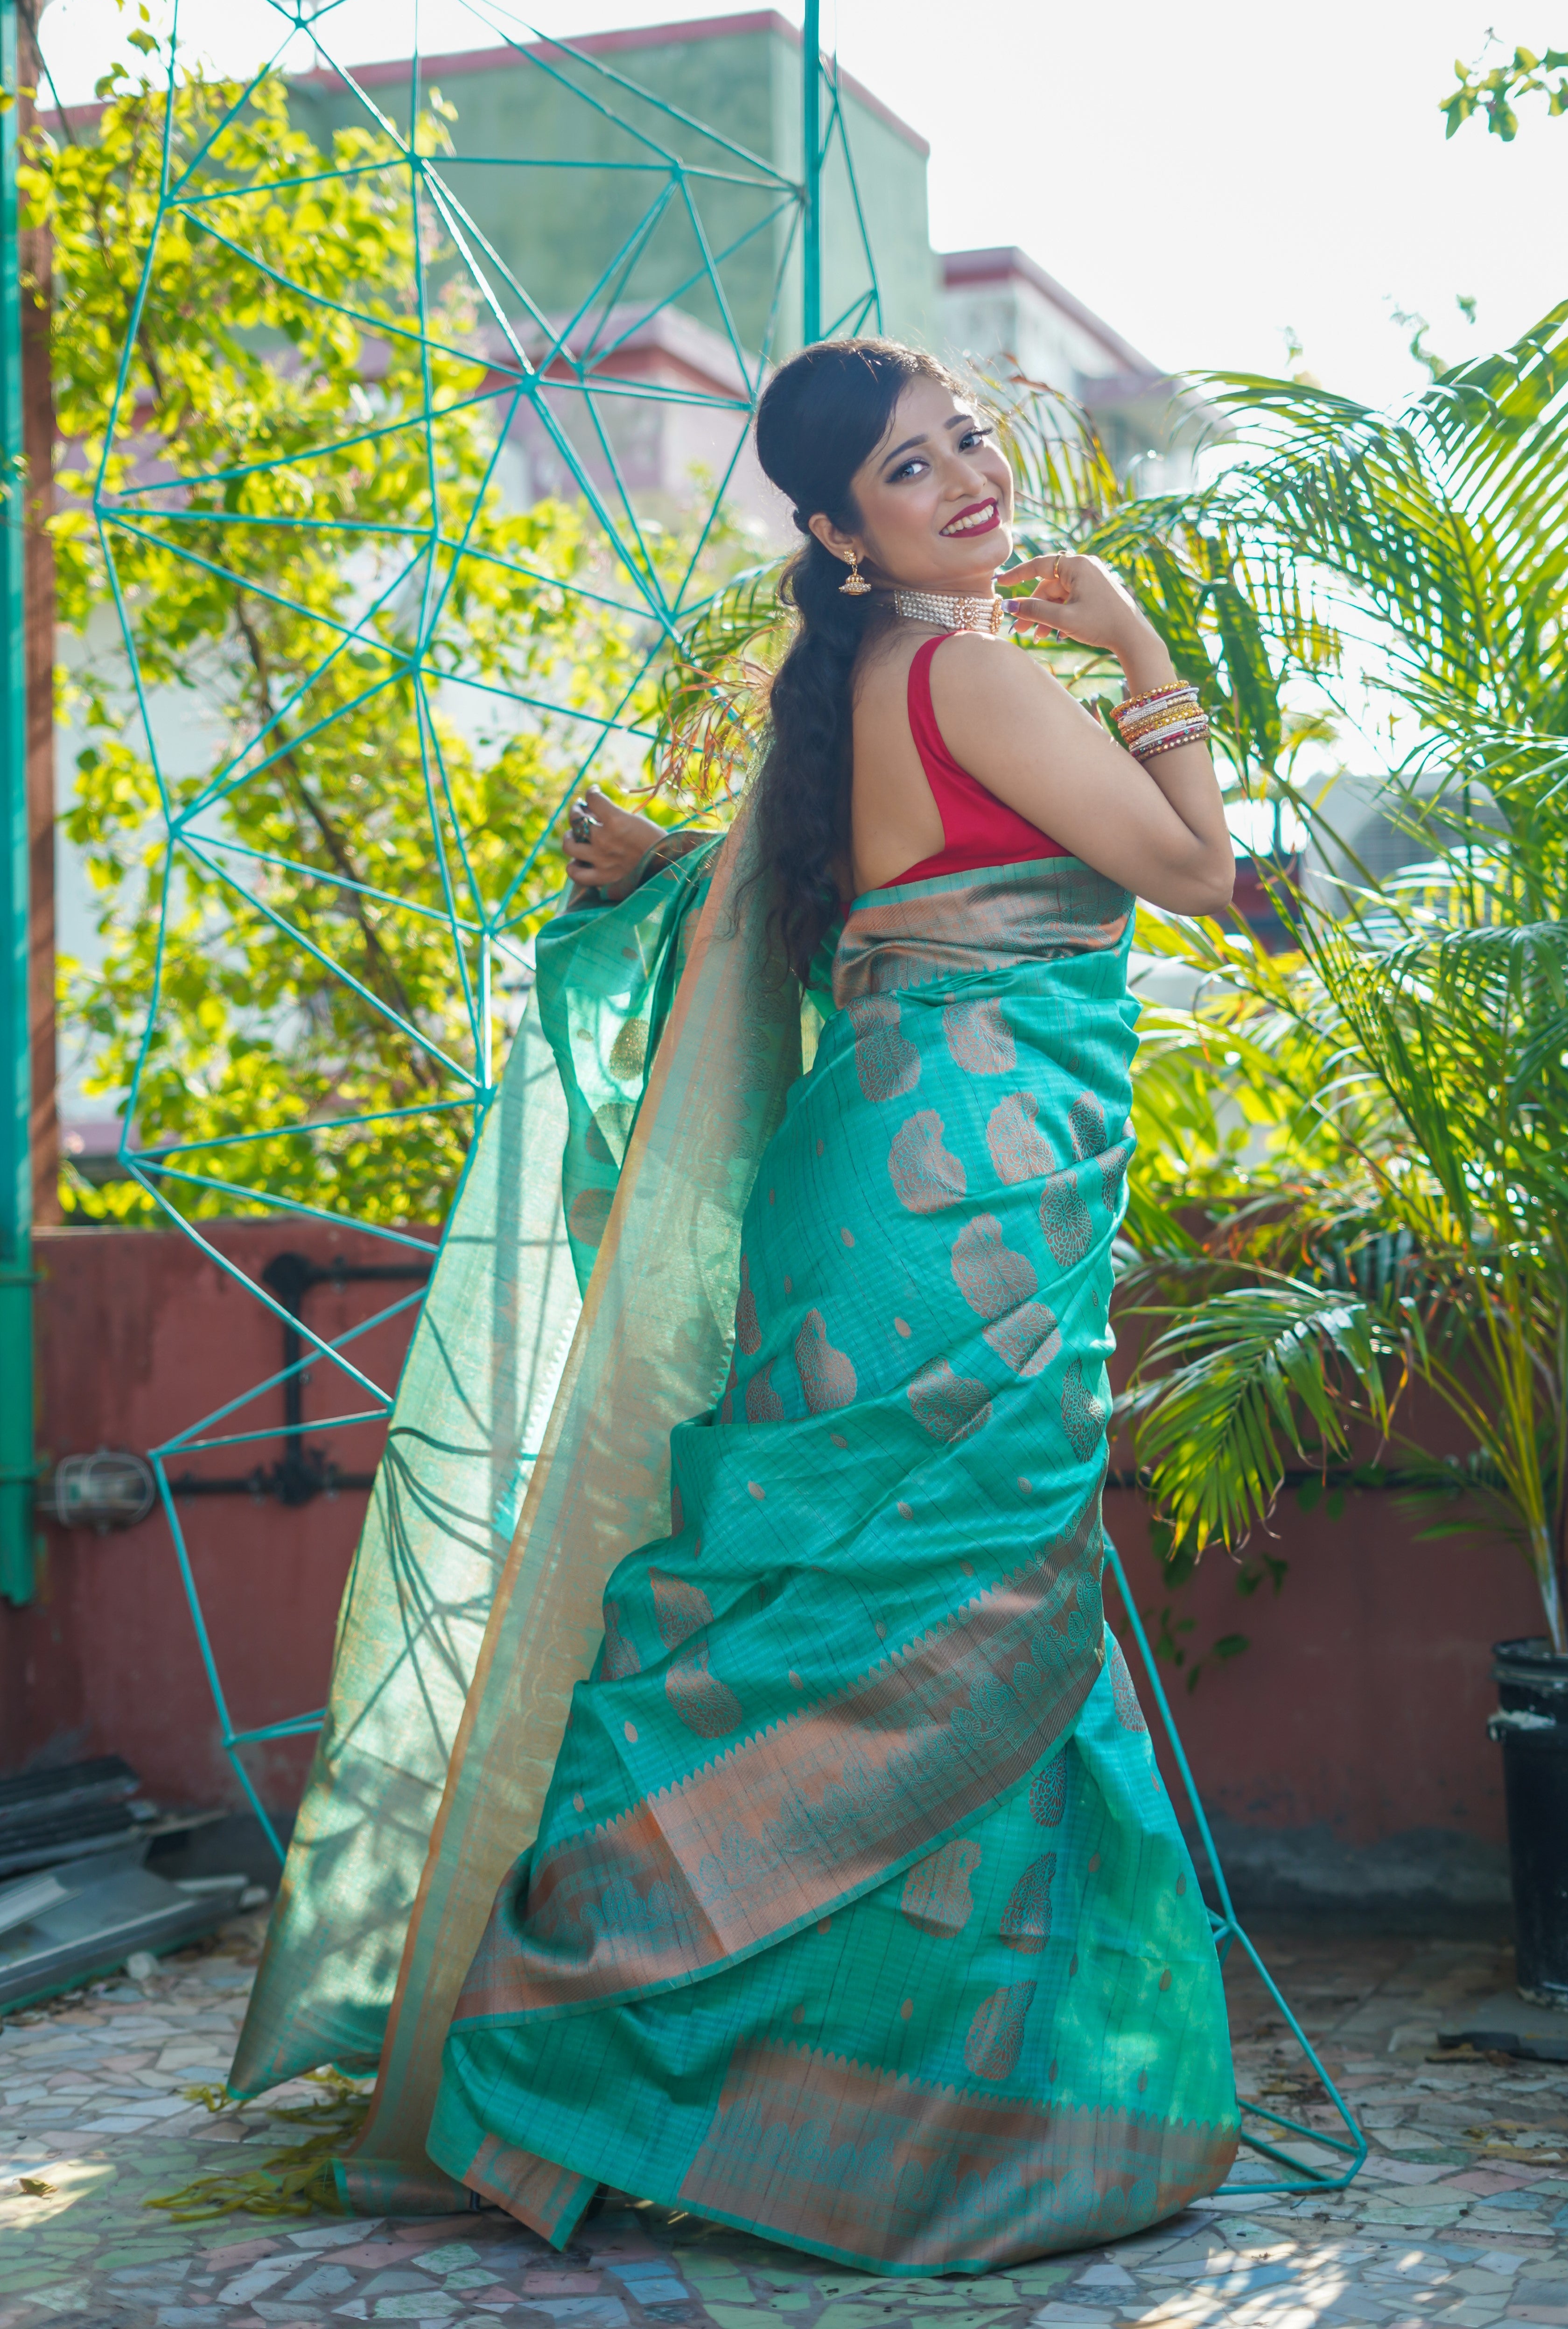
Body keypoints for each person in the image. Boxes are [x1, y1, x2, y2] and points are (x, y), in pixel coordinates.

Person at [415, 337, 1242, 2273]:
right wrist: (1141, 647)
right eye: (908, 468)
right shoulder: (978, 672)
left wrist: (662, 859)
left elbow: (849, 873)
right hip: (974, 1215)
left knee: (818, 1611)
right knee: (953, 1603)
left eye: (968, 442)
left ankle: (674, 2063)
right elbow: (1198, 871)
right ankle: (906, 2125)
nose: (966, 480)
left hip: (868, 1194)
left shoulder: (847, 688)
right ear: (833, 526)